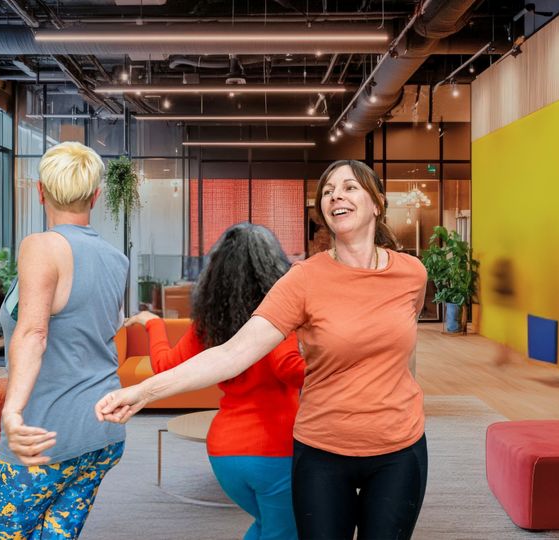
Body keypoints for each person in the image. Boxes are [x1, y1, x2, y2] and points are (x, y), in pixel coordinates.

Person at [97, 159, 429, 539]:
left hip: (399, 449)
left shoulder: (411, 273)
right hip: (323, 450)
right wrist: (143, 391)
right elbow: (232, 353)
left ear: (377, 203)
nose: (336, 194)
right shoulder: (302, 279)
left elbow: (403, 341)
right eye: (327, 190)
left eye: (350, 186)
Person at [0, 142, 128, 539]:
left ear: (40, 191)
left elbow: (34, 332)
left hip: (46, 431)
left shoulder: (41, 246)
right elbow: (111, 325)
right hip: (101, 433)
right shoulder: (115, 258)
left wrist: (11, 412)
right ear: (95, 195)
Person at [125, 223, 305, 540]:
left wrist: (152, 323)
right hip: (275, 452)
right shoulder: (277, 322)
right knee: (284, 531)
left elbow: (164, 365)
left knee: (267, 526)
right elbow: (291, 369)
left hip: (225, 454)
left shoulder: (209, 325)